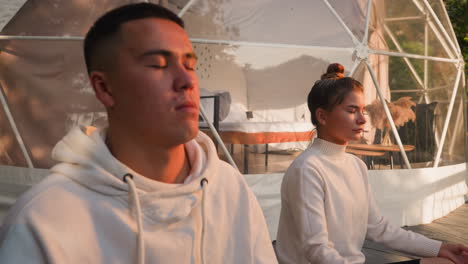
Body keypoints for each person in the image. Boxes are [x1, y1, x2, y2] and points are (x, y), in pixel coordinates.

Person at [0, 3, 277, 263]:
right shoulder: (44, 219)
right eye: (158, 64)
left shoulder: (229, 188)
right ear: (105, 88)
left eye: (189, 65)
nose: (186, 81)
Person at [275, 63, 468, 264]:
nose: (362, 120)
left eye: (362, 111)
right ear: (322, 116)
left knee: (448, 262)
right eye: (352, 111)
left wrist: (439, 248)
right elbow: (316, 250)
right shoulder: (307, 169)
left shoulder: (355, 165)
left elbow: (378, 227)